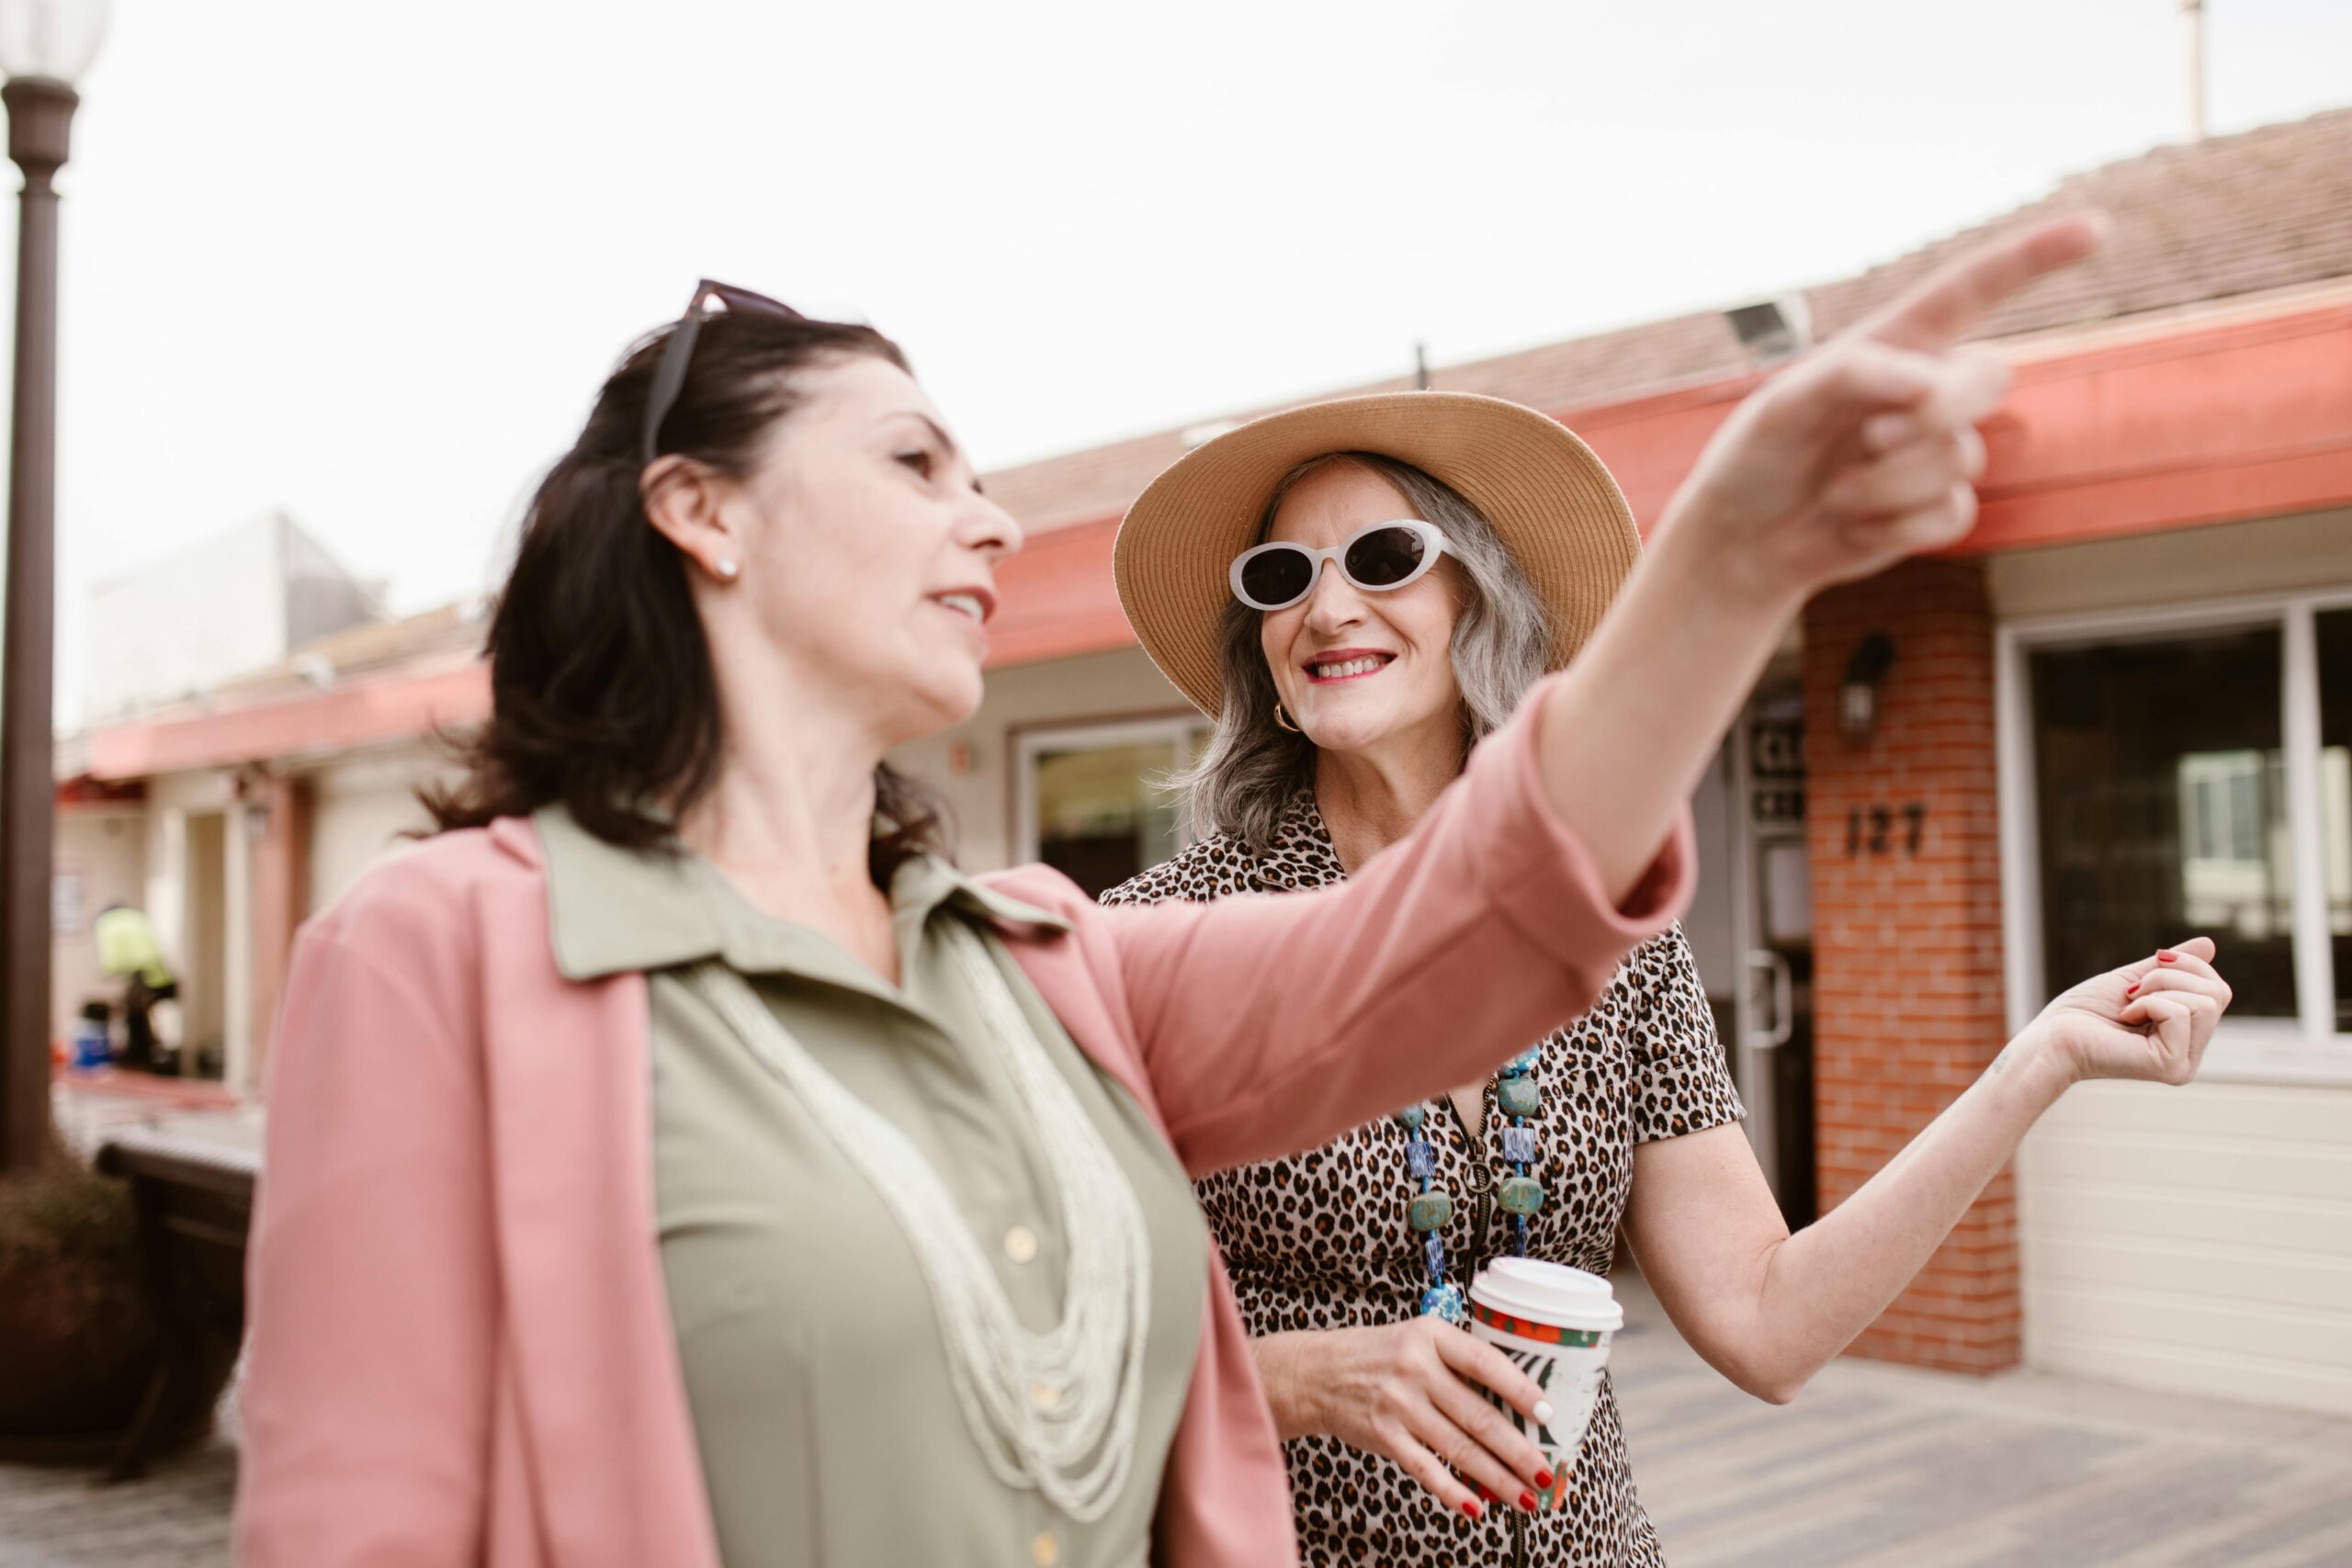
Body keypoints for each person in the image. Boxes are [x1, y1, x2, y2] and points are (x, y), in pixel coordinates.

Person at [234, 220, 2203, 1568]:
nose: (990, 517)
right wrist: (1299, 1376)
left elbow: (1463, 928)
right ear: (703, 511)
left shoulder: (1032, 964)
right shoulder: (440, 955)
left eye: (1384, 561)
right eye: (920, 459)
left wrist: (1730, 567)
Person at [1100, 340, 2234, 1564]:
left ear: (1479, 603)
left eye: (1383, 559)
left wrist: (2036, 1063)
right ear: (1261, 651)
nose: (1326, 607)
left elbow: (1767, 1322)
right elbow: (1042, 1348)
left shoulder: (1612, 932)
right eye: (1282, 577)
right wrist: (1299, 1377)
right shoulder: (1153, 944)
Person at [92, 902, 177, 1073]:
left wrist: (106, 974)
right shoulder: (136, 917)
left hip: (138, 973)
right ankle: (148, 1056)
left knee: (135, 1017)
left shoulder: (107, 923)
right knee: (144, 1016)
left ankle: (139, 1058)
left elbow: (112, 957)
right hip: (156, 974)